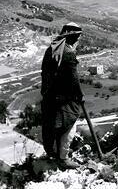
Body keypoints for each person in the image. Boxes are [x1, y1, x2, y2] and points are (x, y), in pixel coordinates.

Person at [41, 22, 84, 168]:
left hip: (50, 96)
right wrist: (80, 95)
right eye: (78, 37)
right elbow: (74, 78)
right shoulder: (68, 52)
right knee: (69, 126)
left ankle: (53, 153)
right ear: (74, 37)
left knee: (53, 126)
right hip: (63, 99)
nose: (79, 40)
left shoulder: (52, 48)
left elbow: (45, 73)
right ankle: (63, 158)